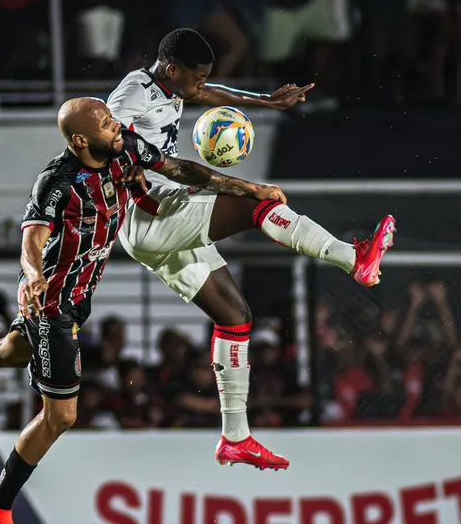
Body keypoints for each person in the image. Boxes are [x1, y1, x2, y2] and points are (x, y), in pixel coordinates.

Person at [0, 96, 291, 524]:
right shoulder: (56, 182)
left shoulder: (127, 150)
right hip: (50, 302)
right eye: (103, 122)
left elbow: (181, 170)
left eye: (111, 116)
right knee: (62, 416)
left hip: (76, 299)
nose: (115, 124)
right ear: (80, 139)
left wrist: (248, 188)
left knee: (10, 351)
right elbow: (31, 240)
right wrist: (33, 274)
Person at [106, 28, 395, 468]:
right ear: (171, 70)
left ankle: (235, 437)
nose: (202, 86)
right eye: (197, 77)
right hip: (151, 215)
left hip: (152, 226)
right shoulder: (133, 92)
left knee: (236, 316)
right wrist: (243, 184)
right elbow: (113, 135)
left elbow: (207, 95)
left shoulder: (168, 85)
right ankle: (352, 258)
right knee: (253, 202)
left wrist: (266, 101)